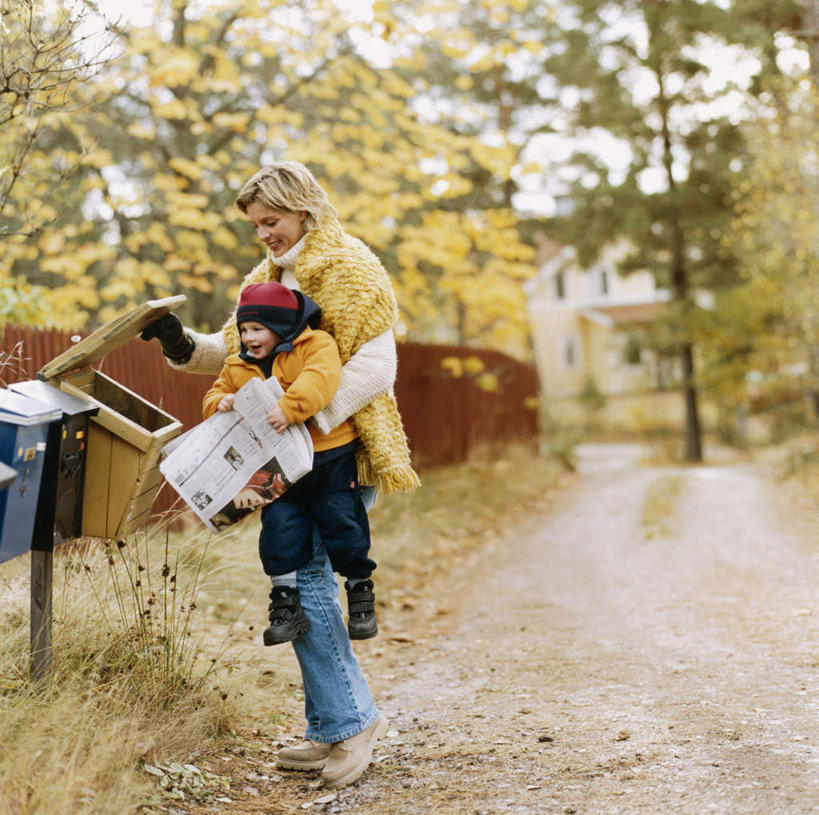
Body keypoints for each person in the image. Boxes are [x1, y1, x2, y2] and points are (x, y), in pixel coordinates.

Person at [141, 161, 419, 790]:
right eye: (256, 226)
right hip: (282, 460)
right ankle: (328, 728)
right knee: (296, 577)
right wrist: (175, 341)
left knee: (314, 580)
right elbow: (232, 348)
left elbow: (377, 366)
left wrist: (298, 417)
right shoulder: (264, 278)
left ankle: (353, 722)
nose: (263, 234)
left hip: (338, 452)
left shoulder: (353, 267)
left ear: (304, 210)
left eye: (271, 221)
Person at [202, 281, 379, 644]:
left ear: (280, 326)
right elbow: (217, 389)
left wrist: (289, 407)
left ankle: (360, 591)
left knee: (342, 519)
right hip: (278, 464)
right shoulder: (238, 365)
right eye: (244, 330)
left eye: (257, 329)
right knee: (279, 528)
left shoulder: (314, 345)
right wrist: (218, 403)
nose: (249, 337)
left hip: (327, 455)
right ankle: (285, 603)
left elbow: (322, 378)